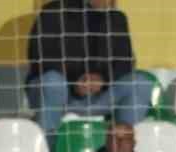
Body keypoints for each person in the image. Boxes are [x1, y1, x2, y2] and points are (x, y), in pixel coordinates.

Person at [26, 0, 152, 136]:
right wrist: (76, 83)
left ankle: (122, 150)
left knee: (140, 82)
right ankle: (46, 149)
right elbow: (39, 57)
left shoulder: (117, 18)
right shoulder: (54, 12)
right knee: (53, 81)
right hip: (59, 93)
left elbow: (125, 63)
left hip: (99, 95)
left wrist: (102, 80)